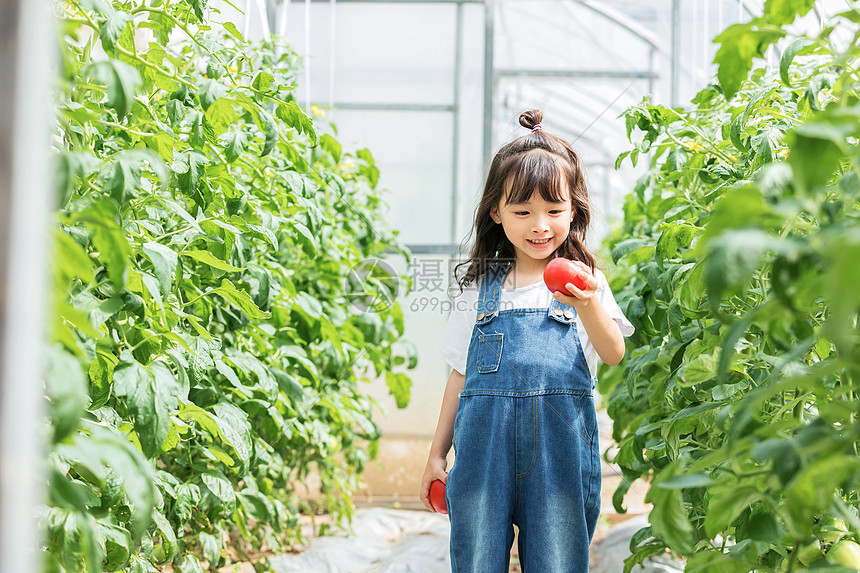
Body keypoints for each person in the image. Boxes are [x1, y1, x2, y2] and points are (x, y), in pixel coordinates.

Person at [419, 109, 635, 572]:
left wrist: (587, 304)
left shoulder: (586, 281)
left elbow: (614, 353)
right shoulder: (482, 287)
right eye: (523, 212)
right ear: (496, 213)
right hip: (482, 456)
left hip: (557, 459)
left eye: (554, 211)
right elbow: (460, 375)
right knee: (476, 559)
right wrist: (437, 454)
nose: (540, 226)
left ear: (573, 210)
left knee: (557, 560)